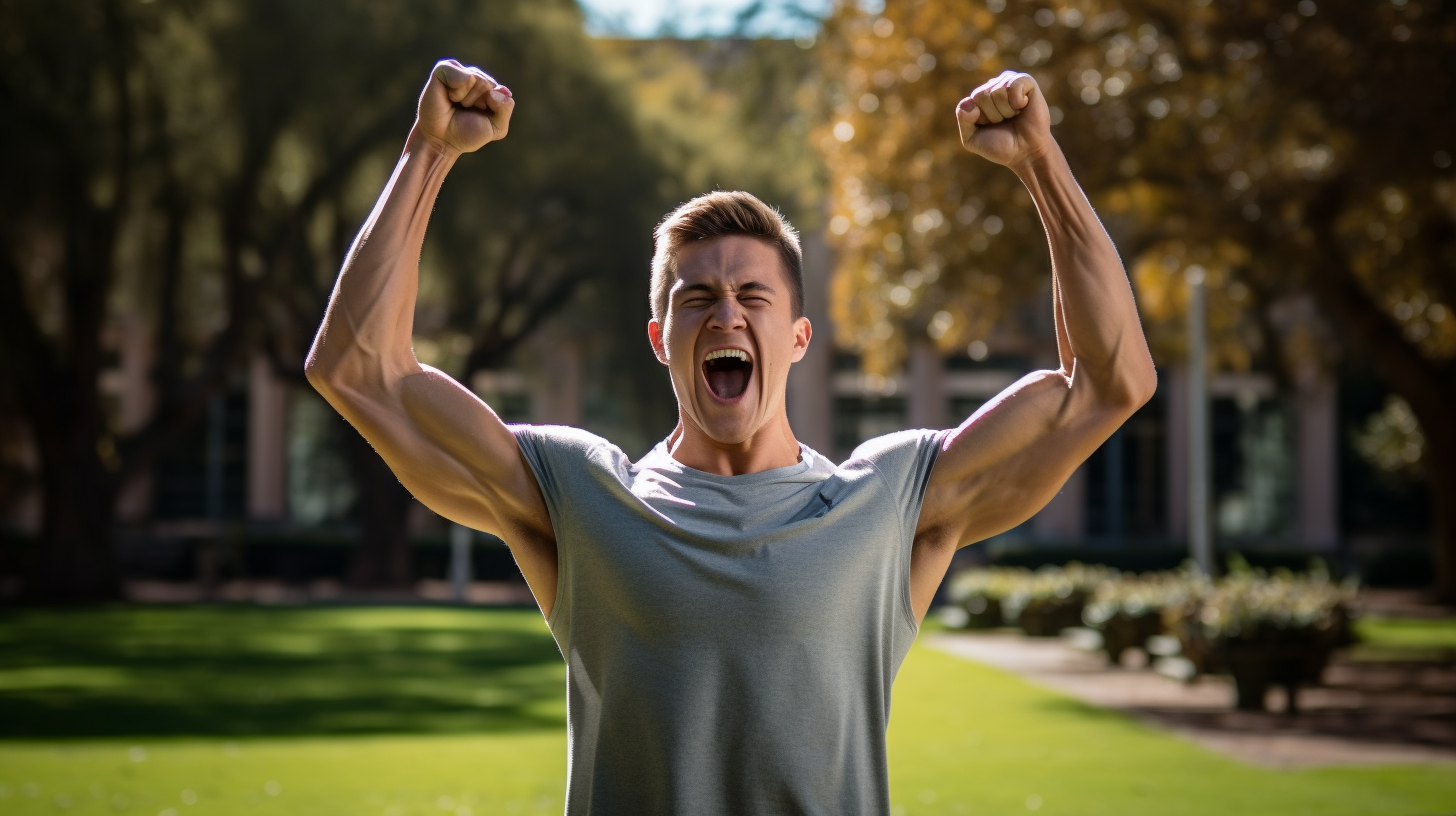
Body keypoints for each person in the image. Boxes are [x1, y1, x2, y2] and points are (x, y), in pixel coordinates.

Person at [306, 59, 1156, 816]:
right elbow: (356, 368)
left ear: (796, 339)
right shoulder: (579, 495)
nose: (726, 313)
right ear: (659, 337)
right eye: (697, 298)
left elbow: (1110, 383)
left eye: (754, 297)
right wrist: (428, 151)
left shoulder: (886, 499)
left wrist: (1041, 163)